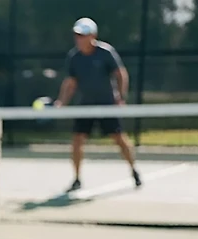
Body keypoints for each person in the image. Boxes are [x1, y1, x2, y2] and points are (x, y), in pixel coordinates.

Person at [53, 17, 141, 193]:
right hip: (85, 105)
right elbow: (70, 82)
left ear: (93, 35)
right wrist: (61, 101)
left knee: (119, 139)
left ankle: (133, 170)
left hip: (106, 104)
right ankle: (77, 179)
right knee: (77, 141)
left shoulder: (106, 52)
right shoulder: (74, 57)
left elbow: (121, 74)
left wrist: (120, 97)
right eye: (77, 35)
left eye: (83, 35)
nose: (79, 38)